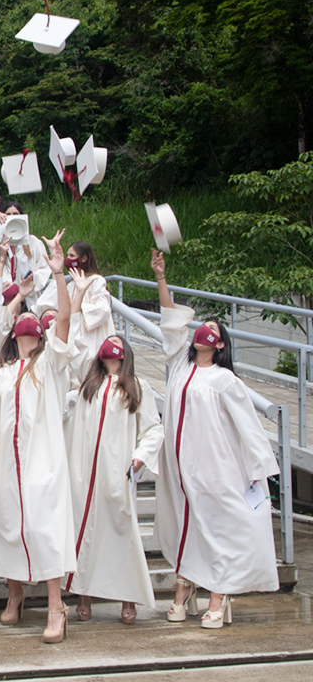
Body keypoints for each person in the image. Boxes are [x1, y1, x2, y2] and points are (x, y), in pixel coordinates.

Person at [152, 249, 279, 628]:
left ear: (221, 344)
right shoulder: (180, 365)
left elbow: (249, 428)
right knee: (187, 524)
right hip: (180, 467)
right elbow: (171, 322)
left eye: (214, 330)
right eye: (202, 327)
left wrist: (258, 471)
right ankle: (186, 584)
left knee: (220, 526)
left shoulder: (225, 381)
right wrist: (160, 277)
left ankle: (219, 594)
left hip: (215, 467)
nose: (205, 330)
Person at [0, 230, 77, 644]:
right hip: (4, 461)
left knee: (42, 529)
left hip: (39, 462)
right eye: (20, 325)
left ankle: (56, 607)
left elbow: (65, 320)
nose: (26, 328)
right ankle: (14, 596)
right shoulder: (2, 372)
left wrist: (59, 274)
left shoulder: (49, 363)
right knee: (9, 527)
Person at [64, 336, 163, 624]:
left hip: (116, 471)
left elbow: (153, 429)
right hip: (85, 473)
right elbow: (64, 411)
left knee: (122, 535)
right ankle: (83, 595)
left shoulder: (138, 387)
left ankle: (127, 597)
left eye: (117, 342)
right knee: (83, 534)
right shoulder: (87, 387)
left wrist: (141, 455)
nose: (111, 346)